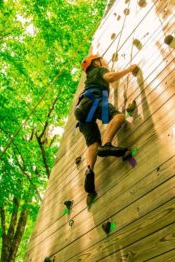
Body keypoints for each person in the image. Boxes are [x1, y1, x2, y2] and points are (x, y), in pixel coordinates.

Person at [74, 55, 138, 205]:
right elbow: (110, 77)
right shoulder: (98, 70)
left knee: (93, 144)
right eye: (103, 60)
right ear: (96, 63)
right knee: (119, 117)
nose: (106, 63)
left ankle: (89, 170)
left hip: (82, 112)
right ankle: (107, 145)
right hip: (94, 101)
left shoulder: (90, 79)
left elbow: (109, 84)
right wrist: (129, 69)